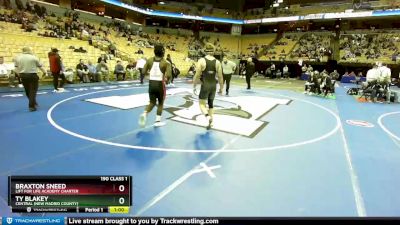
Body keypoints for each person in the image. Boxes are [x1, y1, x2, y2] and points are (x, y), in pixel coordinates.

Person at [138, 44, 172, 127]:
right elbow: (169, 75)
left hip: (151, 84)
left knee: (152, 102)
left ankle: (144, 113)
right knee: (160, 103)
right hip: (160, 84)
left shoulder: (149, 60)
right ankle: (157, 121)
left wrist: (149, 76)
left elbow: (143, 72)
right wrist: (167, 81)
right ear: (163, 52)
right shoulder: (166, 63)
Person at [193, 43, 223, 129]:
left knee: (202, 104)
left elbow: (197, 75)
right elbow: (220, 77)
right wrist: (221, 88)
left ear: (205, 51)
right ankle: (211, 123)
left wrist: (194, 85)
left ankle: (207, 117)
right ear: (213, 51)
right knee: (211, 104)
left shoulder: (201, 61)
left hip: (205, 85)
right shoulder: (217, 62)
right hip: (213, 85)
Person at [14, 47, 46, 111]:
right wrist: (44, 72)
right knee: (33, 90)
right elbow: (40, 66)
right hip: (32, 75)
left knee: (27, 90)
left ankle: (33, 102)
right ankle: (31, 106)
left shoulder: (18, 58)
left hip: (23, 75)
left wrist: (19, 75)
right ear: (29, 50)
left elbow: (15, 69)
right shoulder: (34, 57)